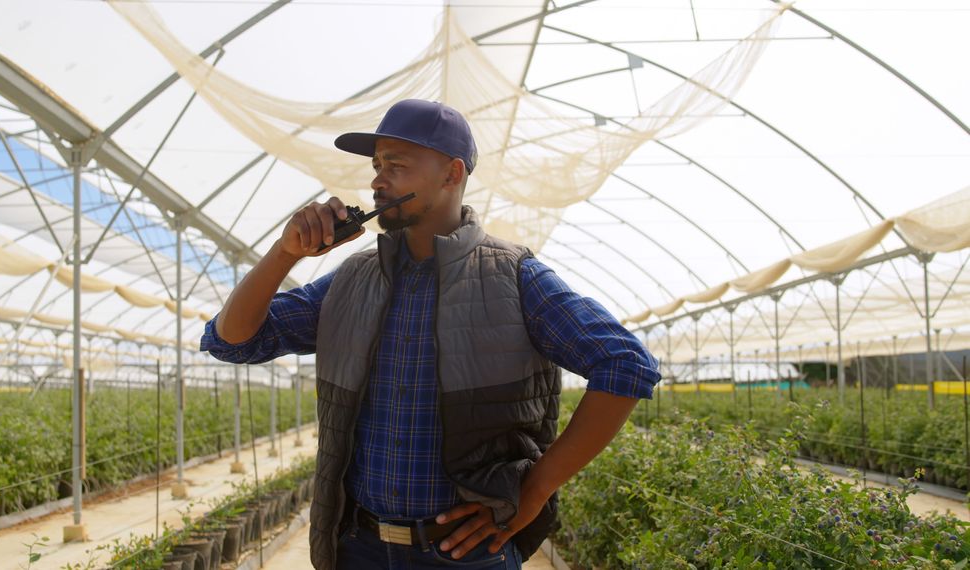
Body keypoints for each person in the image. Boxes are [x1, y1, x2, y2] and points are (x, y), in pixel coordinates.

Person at [201, 99, 661, 569]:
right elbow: (233, 340)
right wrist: (285, 253)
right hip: (358, 547)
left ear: (451, 174)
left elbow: (625, 363)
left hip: (466, 553)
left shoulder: (512, 277)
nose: (378, 180)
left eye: (396, 165)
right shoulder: (351, 280)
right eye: (377, 166)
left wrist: (537, 489)